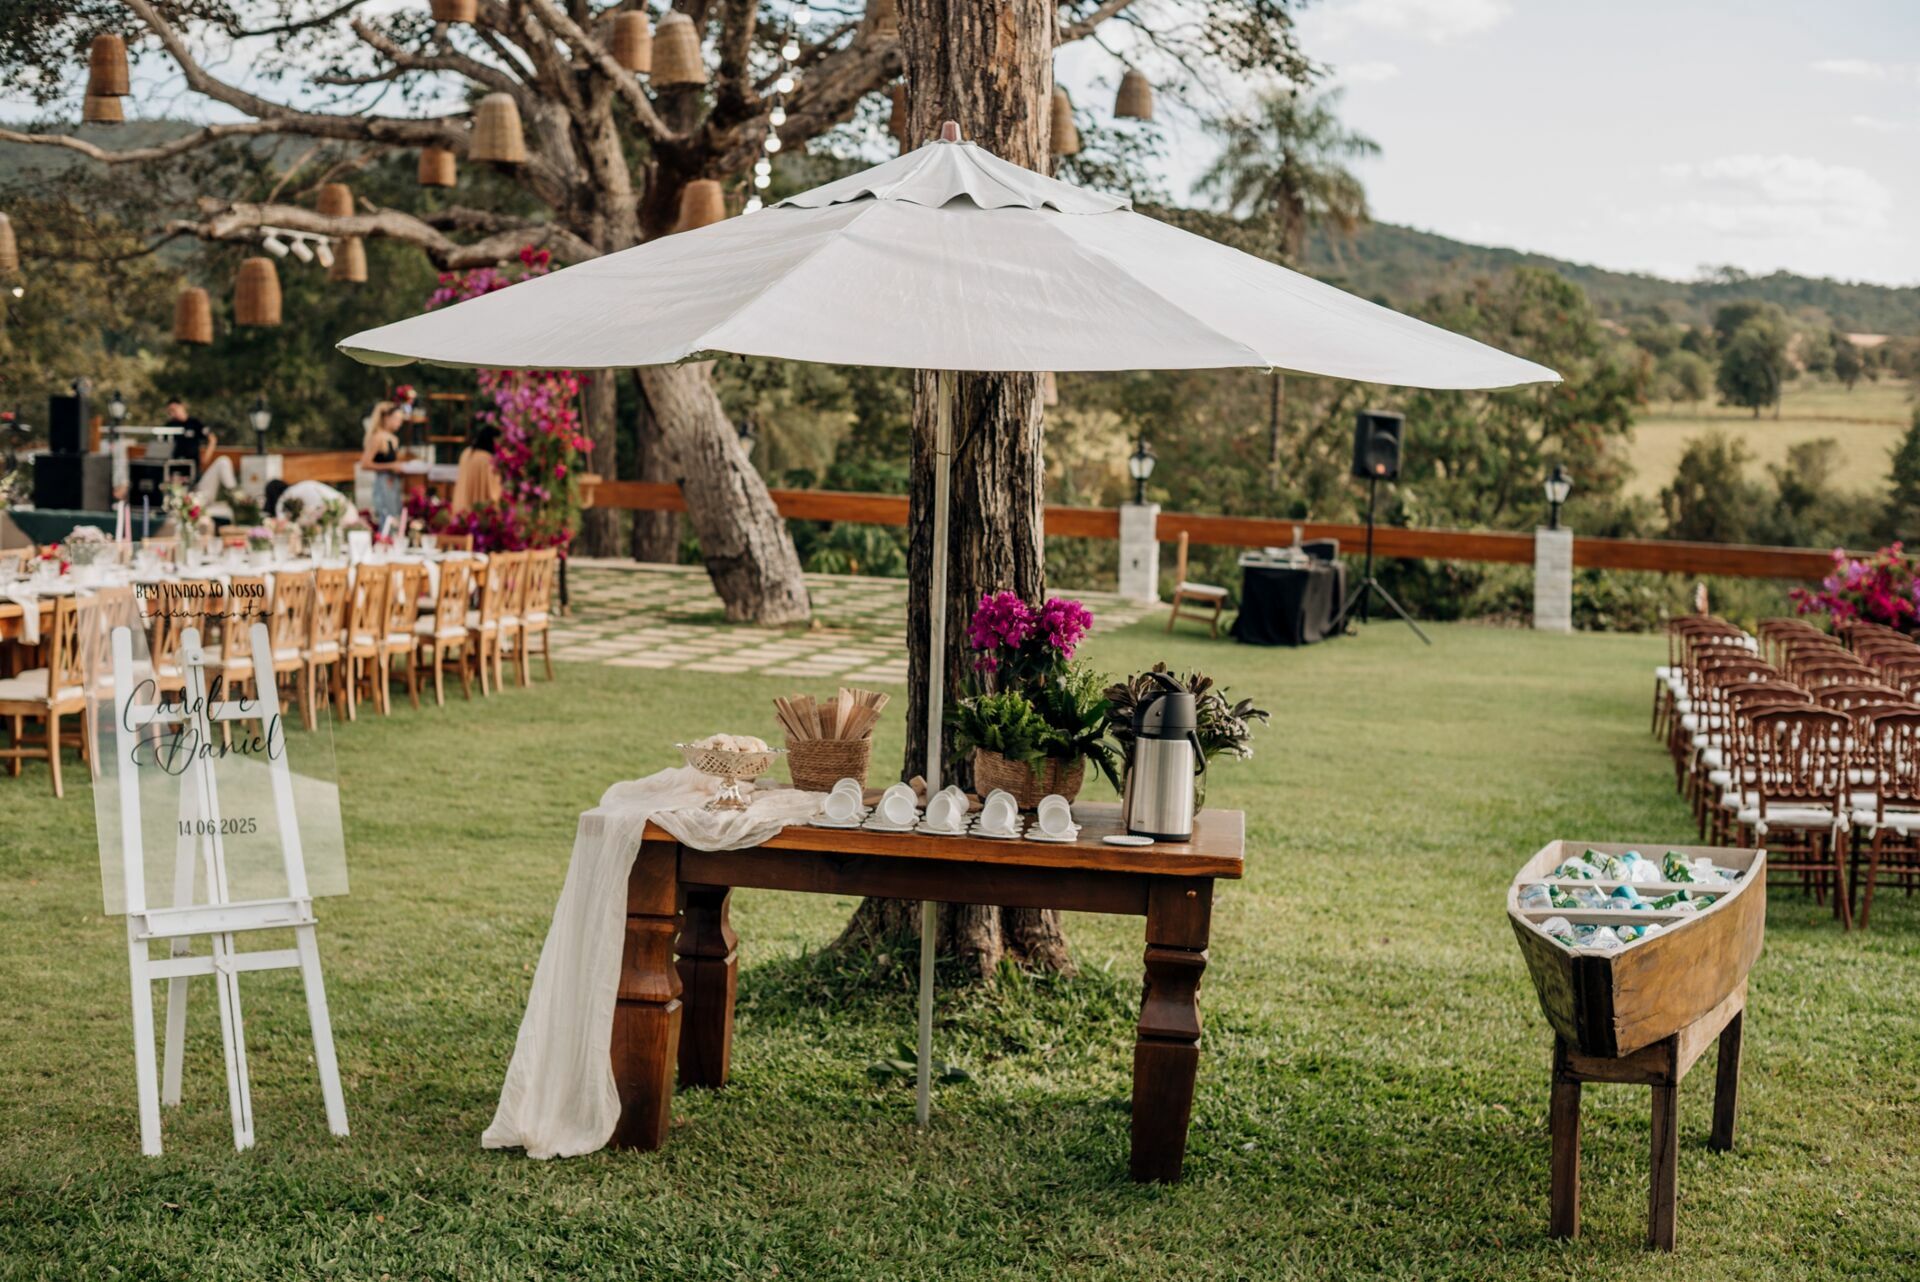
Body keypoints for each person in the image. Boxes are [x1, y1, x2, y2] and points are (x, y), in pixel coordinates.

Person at [169, 397, 241, 514]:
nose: (173, 413)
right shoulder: (170, 427)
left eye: (174, 409)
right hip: (180, 491)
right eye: (170, 411)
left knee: (223, 461)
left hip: (198, 487)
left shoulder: (194, 423)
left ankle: (237, 498)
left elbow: (212, 438)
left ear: (182, 407)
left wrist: (206, 456)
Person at [360, 400, 406, 531]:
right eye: (396, 419)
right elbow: (365, 464)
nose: (399, 423)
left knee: (396, 516)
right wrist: (390, 466)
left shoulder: (394, 439)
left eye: (401, 420)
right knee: (386, 518)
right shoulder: (377, 438)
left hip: (394, 482)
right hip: (382, 482)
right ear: (386, 418)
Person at [450, 421, 503, 514]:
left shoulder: (466, 453)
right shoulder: (488, 459)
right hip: (480, 510)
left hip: (461, 507)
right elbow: (494, 489)